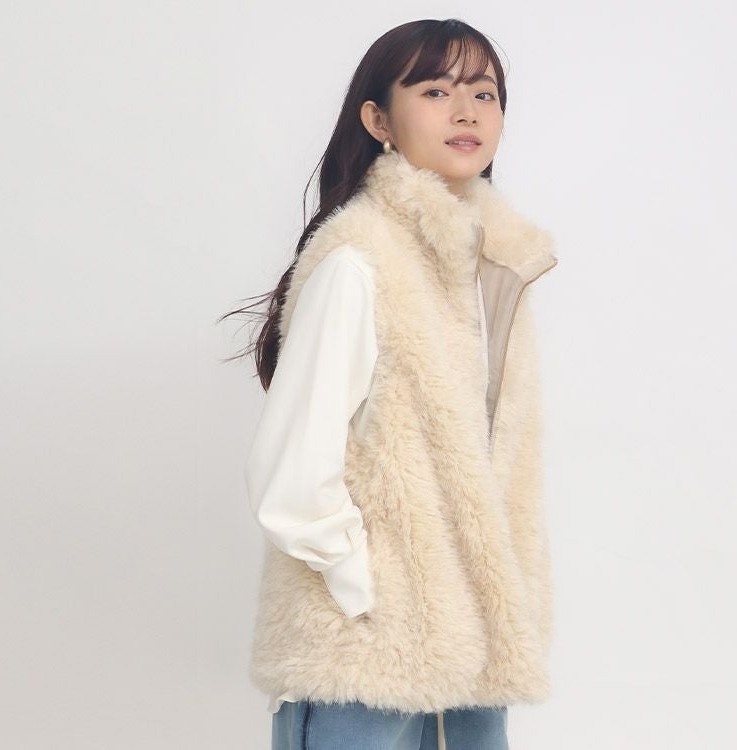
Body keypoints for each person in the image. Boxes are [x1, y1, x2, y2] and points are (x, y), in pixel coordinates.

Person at [223, 17, 558, 750]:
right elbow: (289, 474)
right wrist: (371, 591)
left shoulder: (496, 269)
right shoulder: (358, 262)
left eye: (484, 93)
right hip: (365, 659)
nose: (466, 111)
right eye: (435, 91)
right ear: (378, 120)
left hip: (472, 659)